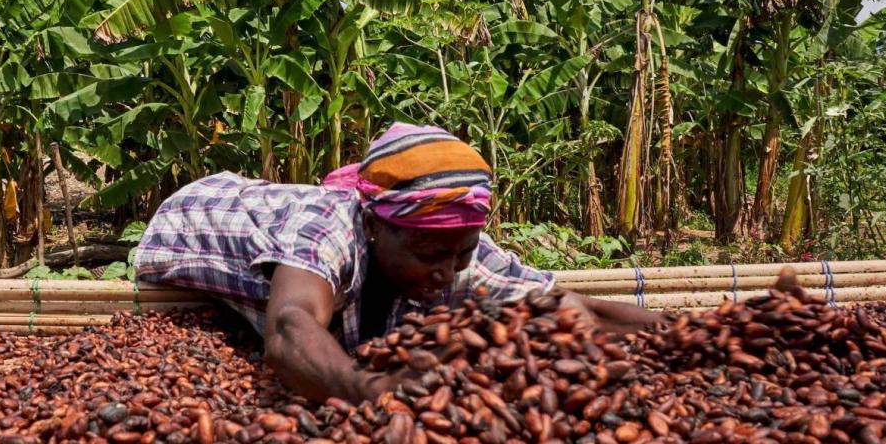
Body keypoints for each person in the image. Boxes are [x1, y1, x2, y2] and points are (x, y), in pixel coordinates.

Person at [133, 123, 662, 402]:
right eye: (431, 254)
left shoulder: (455, 249)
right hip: (195, 215)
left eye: (461, 252)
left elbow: (566, 307)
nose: (447, 271)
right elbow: (290, 329)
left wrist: (696, 331)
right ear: (374, 225)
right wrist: (367, 392)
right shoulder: (329, 230)